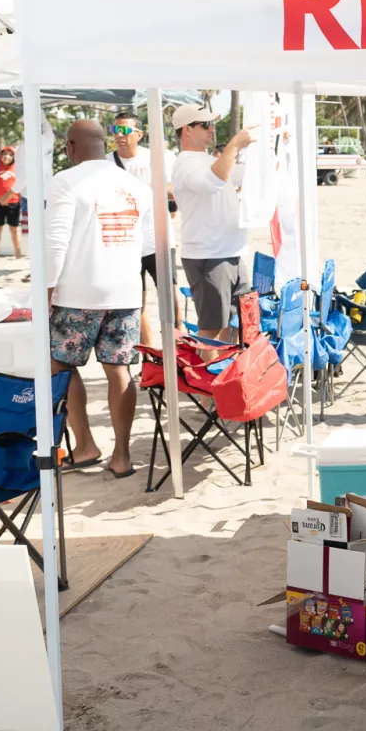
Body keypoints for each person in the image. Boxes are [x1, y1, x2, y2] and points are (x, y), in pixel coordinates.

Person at [44, 120, 154, 479]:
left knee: (61, 364)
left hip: (78, 292)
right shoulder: (136, 185)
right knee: (119, 369)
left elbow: (55, 244)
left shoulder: (65, 181)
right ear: (103, 144)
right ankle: (121, 457)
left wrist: (46, 290)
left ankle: (86, 445)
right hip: (124, 291)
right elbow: (150, 246)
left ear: (71, 147)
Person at [171, 104, 254, 345]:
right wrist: (235, 145)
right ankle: (210, 381)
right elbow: (212, 182)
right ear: (187, 130)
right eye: (205, 124)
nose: (211, 129)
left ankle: (224, 376)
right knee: (212, 330)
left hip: (231, 251)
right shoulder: (185, 163)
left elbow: (231, 176)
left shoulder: (206, 159)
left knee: (236, 326)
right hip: (209, 253)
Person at [109, 111, 182, 349]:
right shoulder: (106, 163)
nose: (120, 135)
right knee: (136, 303)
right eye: (115, 130)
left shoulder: (158, 158)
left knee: (169, 300)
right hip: (124, 245)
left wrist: (144, 188)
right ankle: (150, 357)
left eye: (126, 130)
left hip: (157, 240)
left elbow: (177, 188)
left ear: (139, 134)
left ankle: (177, 351)